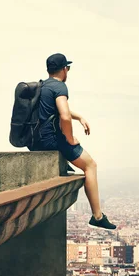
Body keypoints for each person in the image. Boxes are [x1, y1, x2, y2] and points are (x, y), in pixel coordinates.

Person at [34, 53, 116, 231]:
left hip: (36, 140)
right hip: (52, 140)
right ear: (64, 69)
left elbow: (53, 111)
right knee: (90, 165)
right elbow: (64, 115)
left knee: (80, 159)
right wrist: (70, 139)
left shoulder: (43, 86)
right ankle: (97, 216)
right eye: (68, 68)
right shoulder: (59, 87)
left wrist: (79, 117)